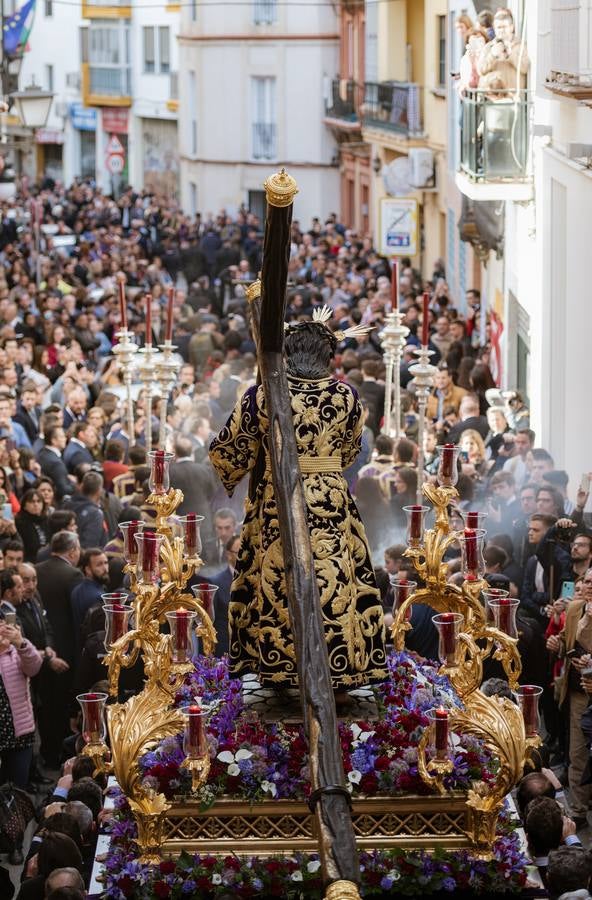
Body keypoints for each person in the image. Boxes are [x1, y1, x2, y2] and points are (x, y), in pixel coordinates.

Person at [209, 317, 387, 691]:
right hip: (331, 502)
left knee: (276, 577)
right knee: (336, 579)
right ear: (328, 356)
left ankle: (278, 664)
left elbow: (229, 450)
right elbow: (352, 450)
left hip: (280, 497)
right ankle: (340, 662)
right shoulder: (345, 396)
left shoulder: (264, 395)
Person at [35, 531, 82, 768]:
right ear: (72, 551)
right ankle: (60, 754)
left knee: (45, 703)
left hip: (42, 645)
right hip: (66, 650)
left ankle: (47, 751)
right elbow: (76, 615)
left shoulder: (37, 569)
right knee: (62, 704)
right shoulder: (73, 574)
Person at [0, 620, 42, 862]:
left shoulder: (17, 653)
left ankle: (16, 844)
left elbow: (35, 666)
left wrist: (21, 642)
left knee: (17, 790)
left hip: (19, 733)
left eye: (6, 626)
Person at [15, 488, 50, 563]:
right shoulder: (19, 522)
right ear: (24, 505)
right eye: (32, 502)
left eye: (38, 501)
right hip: (28, 561)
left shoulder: (47, 520)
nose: (36, 504)